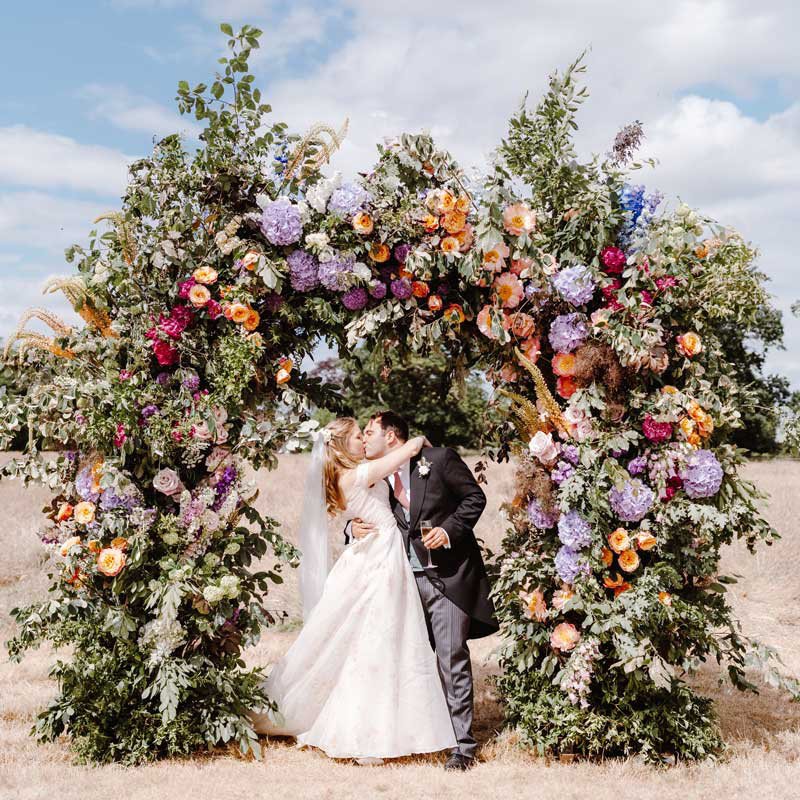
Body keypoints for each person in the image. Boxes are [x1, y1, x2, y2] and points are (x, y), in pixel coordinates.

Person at [249, 417, 457, 765]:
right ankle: (368, 730)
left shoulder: (350, 475)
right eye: (359, 435)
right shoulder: (359, 474)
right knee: (378, 640)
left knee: (374, 639)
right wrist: (418, 437)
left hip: (373, 551)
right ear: (343, 444)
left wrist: (352, 527)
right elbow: (407, 449)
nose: (363, 440)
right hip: (380, 557)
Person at [347, 411, 499, 771]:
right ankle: (416, 734)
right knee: (402, 659)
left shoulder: (439, 460)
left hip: (447, 578)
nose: (365, 439)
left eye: (370, 432)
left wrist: (448, 530)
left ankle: (463, 745)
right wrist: (351, 530)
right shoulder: (379, 479)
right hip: (400, 583)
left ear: (393, 436)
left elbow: (474, 499)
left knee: (450, 658)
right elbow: (365, 514)